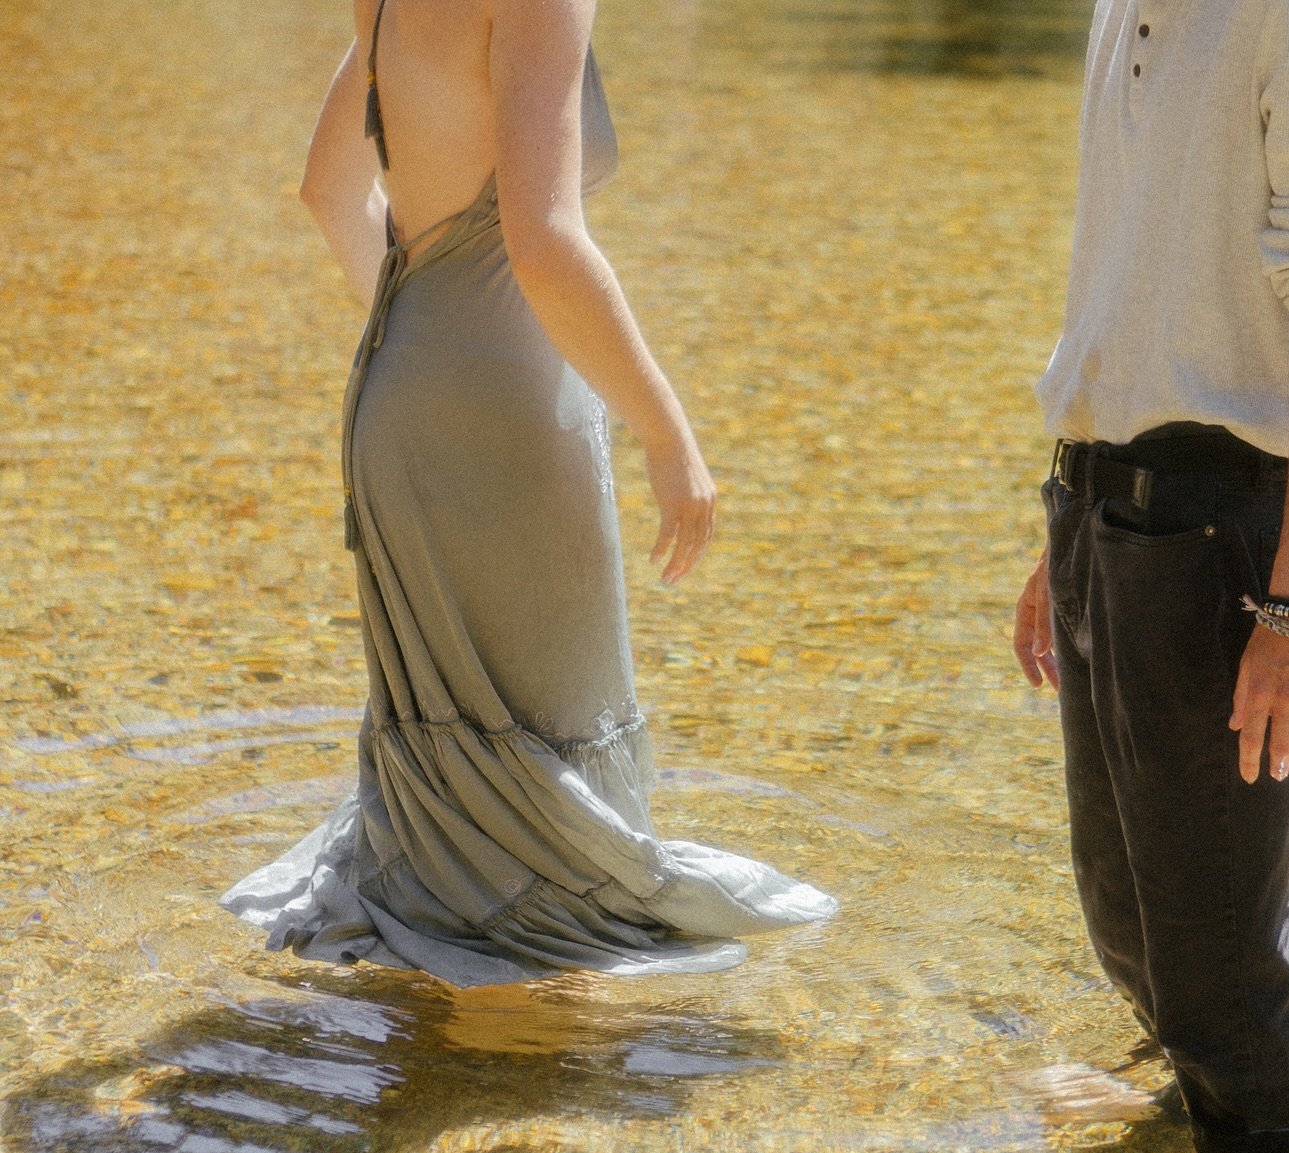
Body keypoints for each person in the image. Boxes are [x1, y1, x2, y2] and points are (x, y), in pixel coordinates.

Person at [222, 0, 835, 985]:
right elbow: (542, 242)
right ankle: (528, 1067)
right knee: (555, 734)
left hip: (396, 390)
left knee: (451, 749)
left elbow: (326, 192)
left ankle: (428, 1050)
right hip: (511, 415)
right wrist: (670, 436)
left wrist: (423, 334)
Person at [1012, 0, 1289, 1153]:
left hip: (1216, 524)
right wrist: (1064, 524)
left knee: (1214, 921)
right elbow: (1129, 278)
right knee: (1125, 898)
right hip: (1104, 501)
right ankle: (1186, 1094)